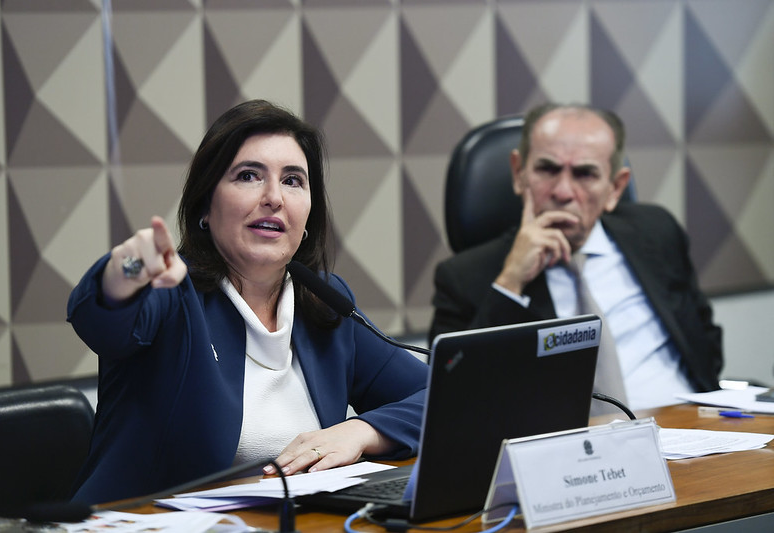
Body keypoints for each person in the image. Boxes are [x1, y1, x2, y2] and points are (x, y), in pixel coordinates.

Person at [67, 99, 428, 504]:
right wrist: (130, 267)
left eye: (293, 180)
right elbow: (99, 318)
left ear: (309, 214)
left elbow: (440, 399)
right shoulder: (171, 294)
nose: (274, 197)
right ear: (206, 204)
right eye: (249, 176)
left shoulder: (324, 303)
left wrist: (360, 431)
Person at [429, 103, 722, 413]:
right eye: (548, 169)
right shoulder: (464, 276)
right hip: (571, 448)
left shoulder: (657, 232)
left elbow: (705, 344)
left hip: (690, 429)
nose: (564, 191)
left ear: (615, 188)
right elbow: (454, 397)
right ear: (519, 173)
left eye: (584, 173)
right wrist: (511, 281)